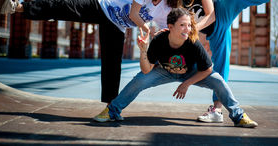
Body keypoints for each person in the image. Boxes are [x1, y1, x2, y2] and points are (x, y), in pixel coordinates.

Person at [0, 0, 177, 104]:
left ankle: (110, 106)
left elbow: (166, 30)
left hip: (116, 25)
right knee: (65, 7)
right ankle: (19, 7)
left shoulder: (166, 7)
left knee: (112, 63)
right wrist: (145, 28)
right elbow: (133, 14)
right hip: (101, 5)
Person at [93, 8, 258, 128]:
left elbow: (207, 69)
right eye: (182, 25)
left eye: (189, 25)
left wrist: (186, 84)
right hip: (164, 71)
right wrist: (143, 50)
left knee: (218, 80)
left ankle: (239, 115)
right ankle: (112, 111)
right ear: (170, 26)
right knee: (139, 80)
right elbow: (146, 70)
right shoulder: (159, 41)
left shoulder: (193, 42)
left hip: (190, 72)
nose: (187, 29)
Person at [173, 0, 278, 123]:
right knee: (219, 66)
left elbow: (211, 15)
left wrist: (194, 29)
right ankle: (217, 111)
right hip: (215, 33)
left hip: (220, 11)